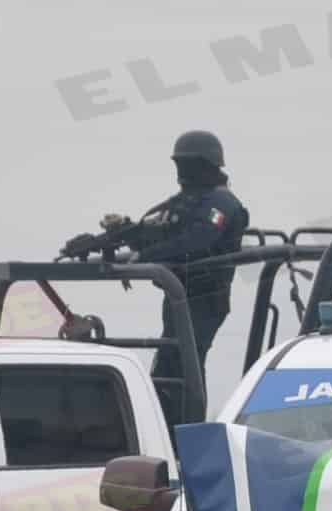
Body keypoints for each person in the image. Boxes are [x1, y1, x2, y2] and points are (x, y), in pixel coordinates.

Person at [60, 129, 251, 357]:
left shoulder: (221, 202)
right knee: (169, 362)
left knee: (184, 361)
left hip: (206, 298)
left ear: (204, 164)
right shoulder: (185, 201)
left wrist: (146, 256)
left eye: (187, 164)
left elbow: (197, 240)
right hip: (178, 294)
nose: (182, 171)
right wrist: (117, 234)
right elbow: (156, 232)